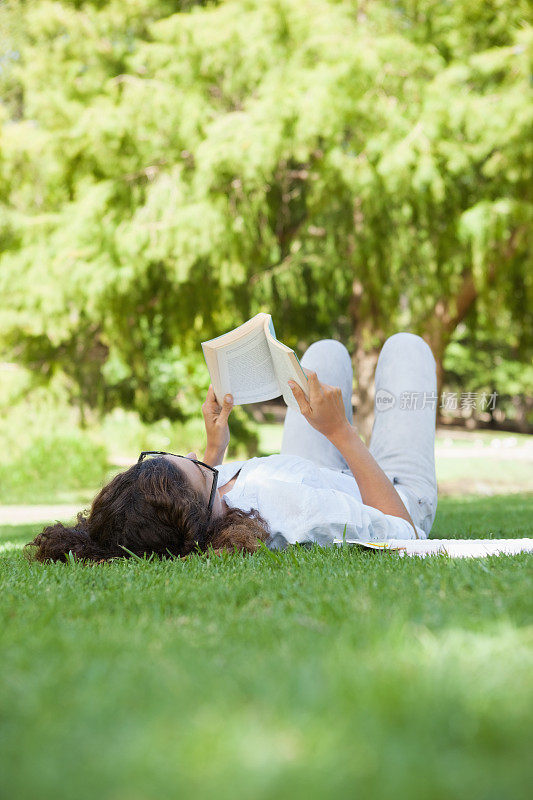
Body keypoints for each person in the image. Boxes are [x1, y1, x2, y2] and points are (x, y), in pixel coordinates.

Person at [28, 333, 438, 562]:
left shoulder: (204, 511)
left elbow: (194, 498)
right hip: (392, 493)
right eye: (198, 469)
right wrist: (341, 432)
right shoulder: (296, 518)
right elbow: (405, 533)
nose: (194, 457)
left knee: (324, 354)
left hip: (308, 471)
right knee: (407, 348)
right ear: (203, 511)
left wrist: (214, 453)